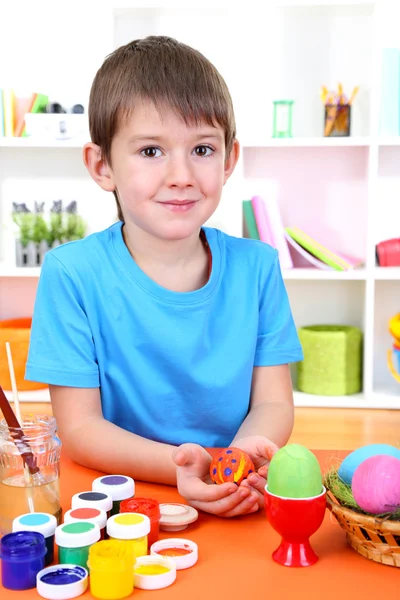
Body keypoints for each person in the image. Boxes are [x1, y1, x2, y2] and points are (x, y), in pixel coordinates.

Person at [26, 36, 303, 518]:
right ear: (102, 165)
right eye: (151, 151)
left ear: (229, 159)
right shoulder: (71, 274)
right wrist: (184, 467)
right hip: (121, 500)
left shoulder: (257, 267)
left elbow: (274, 404)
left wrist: (237, 460)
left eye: (201, 148)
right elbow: (81, 430)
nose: (181, 174)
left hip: (234, 488)